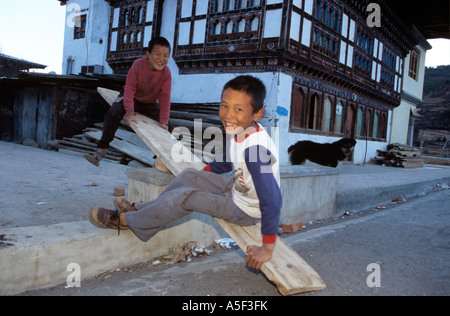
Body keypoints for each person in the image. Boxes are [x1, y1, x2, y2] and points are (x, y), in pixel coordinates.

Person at [89, 75, 282, 270]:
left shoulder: (256, 152)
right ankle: (139, 210)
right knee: (189, 175)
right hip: (238, 189)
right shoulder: (243, 130)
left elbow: (273, 200)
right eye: (224, 106)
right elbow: (227, 160)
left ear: (257, 114)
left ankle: (125, 221)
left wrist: (267, 248)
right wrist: (201, 177)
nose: (228, 115)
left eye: (238, 109)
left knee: (186, 197)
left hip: (245, 210)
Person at [85, 36, 172, 168]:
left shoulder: (166, 73)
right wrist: (130, 112)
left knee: (168, 126)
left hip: (148, 104)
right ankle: (101, 149)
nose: (162, 59)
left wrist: (164, 121)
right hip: (131, 97)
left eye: (166, 55)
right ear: (148, 54)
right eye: (158, 54)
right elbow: (130, 90)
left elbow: (165, 97)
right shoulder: (138, 65)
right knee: (113, 112)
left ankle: (158, 161)